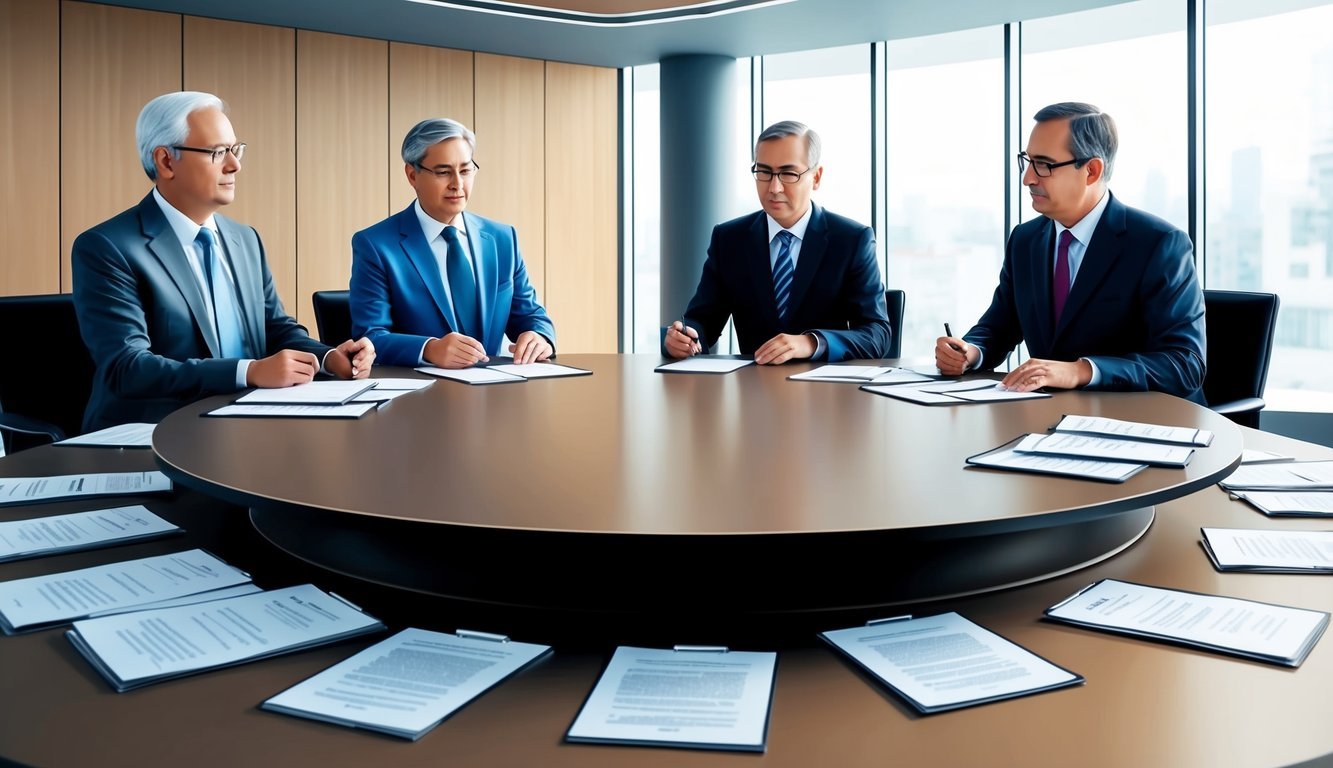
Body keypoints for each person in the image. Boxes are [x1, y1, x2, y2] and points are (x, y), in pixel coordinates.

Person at [72, 91, 374, 431]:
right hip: (154, 436)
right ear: (166, 161)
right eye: (218, 153)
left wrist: (327, 357)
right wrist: (248, 371)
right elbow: (127, 368)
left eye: (235, 149)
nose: (235, 165)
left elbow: (275, 329)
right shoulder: (107, 247)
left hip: (250, 426)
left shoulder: (245, 239)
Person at [935, 102, 1206, 402]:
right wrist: (971, 352)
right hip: (1050, 420)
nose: (1028, 178)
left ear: (1091, 170)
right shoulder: (1025, 240)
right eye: (1027, 161)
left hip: (1145, 425)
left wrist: (1081, 371)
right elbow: (999, 326)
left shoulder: (1159, 244)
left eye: (1044, 164)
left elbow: (1185, 364)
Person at [664, 121, 891, 364]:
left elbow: (877, 333)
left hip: (827, 392)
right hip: (753, 390)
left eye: (788, 173)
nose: (774, 187)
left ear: (816, 177)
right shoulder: (729, 239)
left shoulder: (852, 240)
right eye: (764, 172)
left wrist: (812, 342)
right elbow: (702, 322)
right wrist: (683, 339)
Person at [350, 118, 555, 369]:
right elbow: (370, 337)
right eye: (443, 172)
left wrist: (539, 336)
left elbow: (531, 316)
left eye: (466, 170)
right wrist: (430, 348)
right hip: (420, 396)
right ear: (412, 175)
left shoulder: (502, 238)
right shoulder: (376, 245)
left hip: (496, 392)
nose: (457, 184)